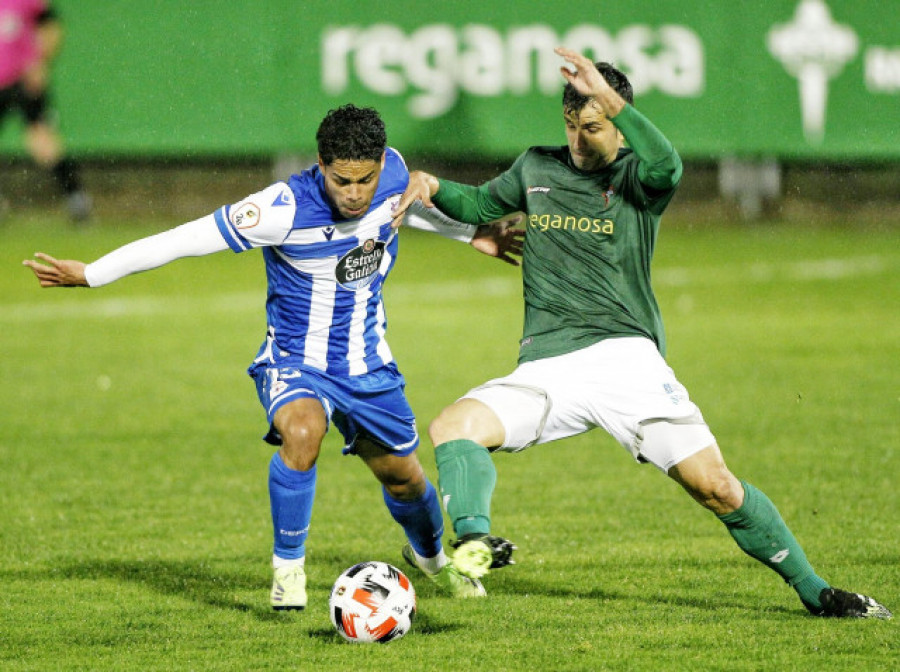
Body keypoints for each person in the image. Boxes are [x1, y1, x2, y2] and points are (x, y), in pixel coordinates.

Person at [391, 47, 892, 620]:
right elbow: (479, 203)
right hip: (548, 365)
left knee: (717, 487)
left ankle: (817, 592)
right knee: (453, 426)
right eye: (574, 126)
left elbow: (669, 163)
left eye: (596, 126)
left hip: (626, 363)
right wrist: (432, 184)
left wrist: (616, 105)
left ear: (619, 124)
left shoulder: (638, 177)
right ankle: (474, 545)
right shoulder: (536, 167)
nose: (581, 140)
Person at [23, 104, 525, 610]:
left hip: (367, 365)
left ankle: (434, 562)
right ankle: (288, 571)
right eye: (341, 180)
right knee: (303, 431)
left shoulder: (393, 171)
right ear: (321, 165)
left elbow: (406, 205)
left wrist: (471, 234)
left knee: (404, 476)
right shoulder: (280, 208)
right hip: (294, 360)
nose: (353, 193)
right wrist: (93, 273)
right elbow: (183, 239)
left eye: (364, 180)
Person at [0, 0, 90, 221]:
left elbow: (51, 29)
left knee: (42, 141)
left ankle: (76, 197)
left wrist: (40, 64)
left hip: (23, 80)